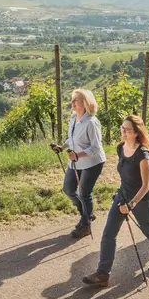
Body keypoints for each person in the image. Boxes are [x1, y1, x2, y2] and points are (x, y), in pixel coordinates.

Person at [83, 115, 149, 287]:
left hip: (140, 199)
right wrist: (121, 196)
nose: (123, 132)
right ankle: (103, 274)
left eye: (127, 130)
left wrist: (131, 204)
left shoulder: (143, 154)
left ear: (136, 133)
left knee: (148, 229)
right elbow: (125, 176)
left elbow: (146, 185)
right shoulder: (120, 148)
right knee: (109, 233)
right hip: (122, 196)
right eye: (122, 128)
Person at [55, 89, 105, 239]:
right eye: (73, 99)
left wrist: (78, 155)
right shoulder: (73, 117)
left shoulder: (91, 122)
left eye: (76, 100)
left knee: (84, 193)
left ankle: (85, 225)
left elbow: (96, 148)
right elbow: (71, 139)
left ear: (86, 103)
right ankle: (87, 213)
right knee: (68, 189)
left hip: (92, 162)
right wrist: (61, 148)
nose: (73, 102)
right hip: (76, 162)